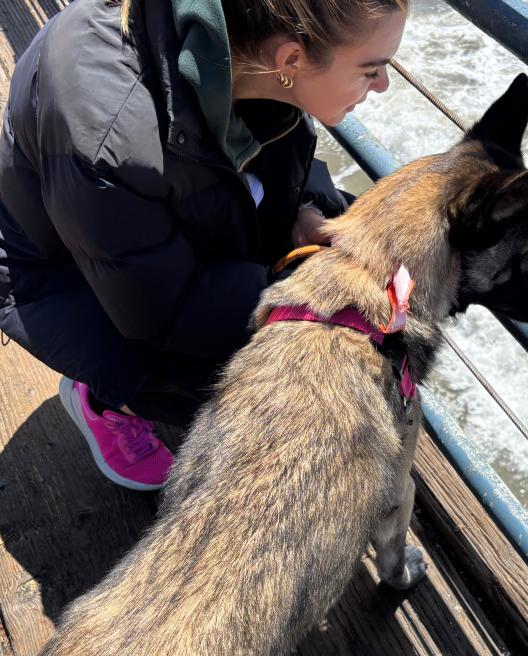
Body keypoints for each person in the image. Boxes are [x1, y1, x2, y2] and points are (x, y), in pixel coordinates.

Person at [0, 0, 407, 490]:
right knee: (270, 394)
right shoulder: (111, 136)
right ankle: (107, 400)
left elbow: (283, 158)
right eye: (371, 70)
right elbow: (162, 314)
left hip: (135, 235)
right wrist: (306, 301)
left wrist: (306, 211)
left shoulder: (251, 41)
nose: (383, 85)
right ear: (291, 59)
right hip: (63, 277)